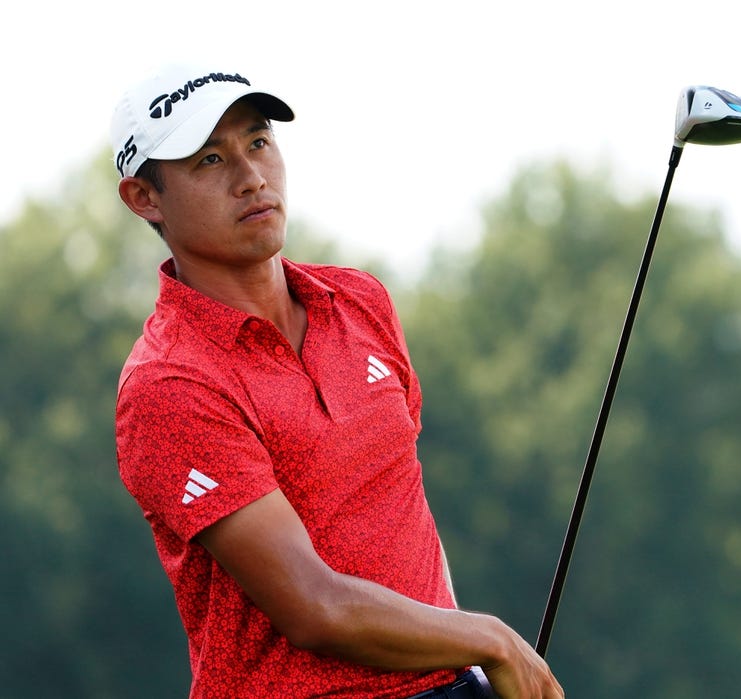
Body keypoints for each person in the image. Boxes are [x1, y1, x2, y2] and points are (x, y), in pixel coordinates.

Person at [111, 65, 564, 699]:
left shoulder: (359, 301)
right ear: (145, 198)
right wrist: (490, 639)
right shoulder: (170, 384)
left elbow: (403, 511)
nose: (252, 178)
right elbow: (312, 607)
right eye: (210, 160)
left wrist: (474, 673)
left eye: (259, 142)